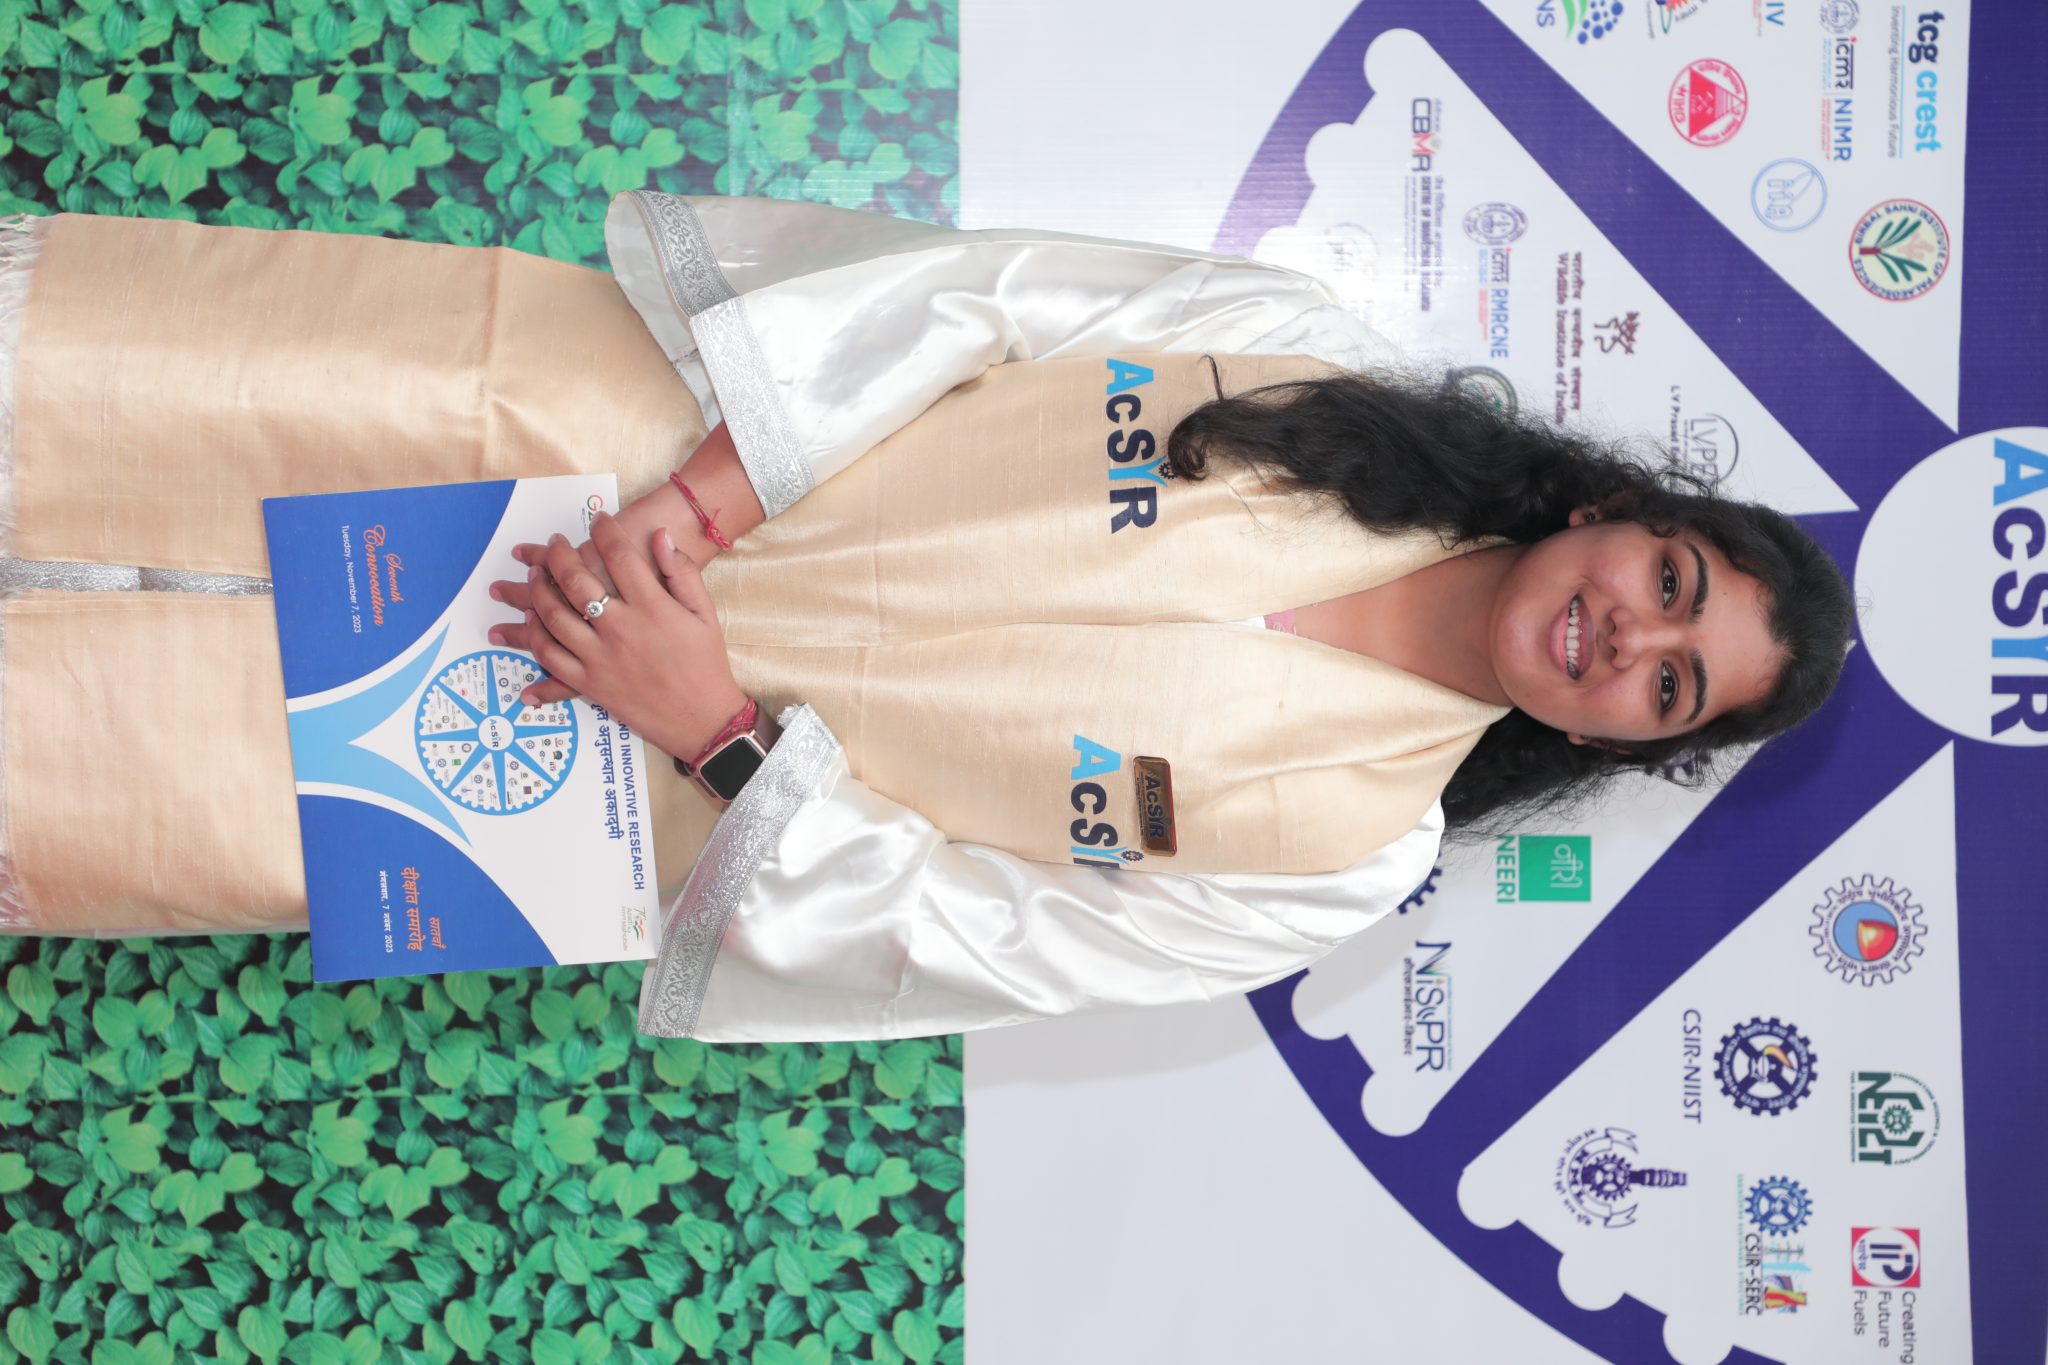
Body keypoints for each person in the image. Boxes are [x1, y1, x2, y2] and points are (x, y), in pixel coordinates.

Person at [0, 194, 1851, 1041]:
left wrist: (709, 722)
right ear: (1618, 513)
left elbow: (958, 937)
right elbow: (976, 303)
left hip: (582, 760)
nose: (1630, 641)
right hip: (613, 439)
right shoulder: (1308, 357)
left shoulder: (1341, 861)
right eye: (1670, 586)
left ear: (1620, 743)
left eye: (1672, 689)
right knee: (141, 387)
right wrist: (692, 505)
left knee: (108, 768)